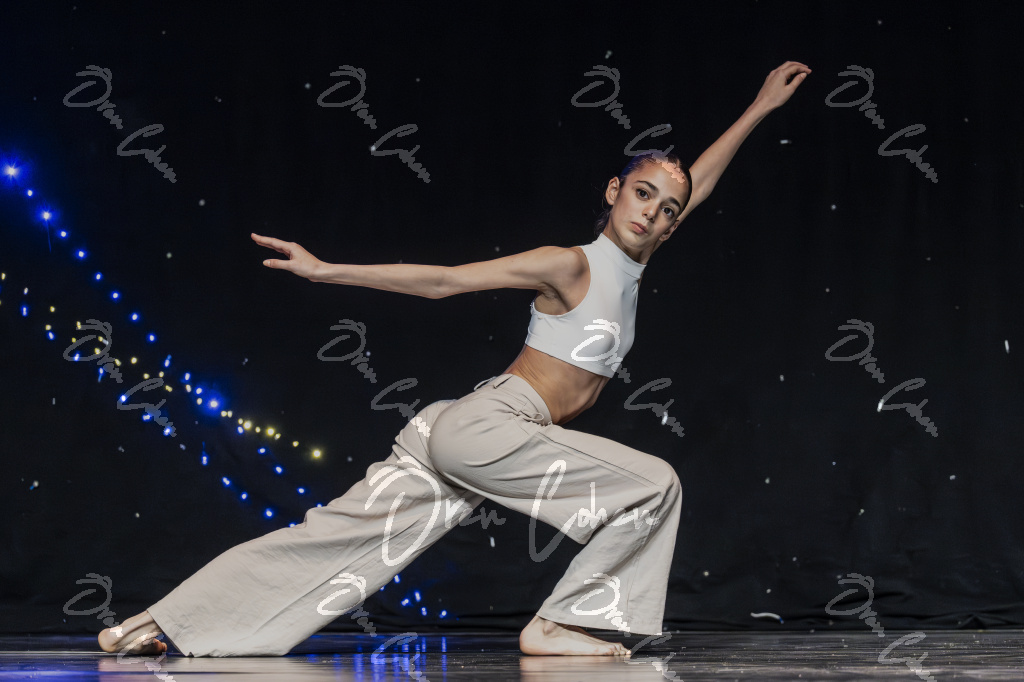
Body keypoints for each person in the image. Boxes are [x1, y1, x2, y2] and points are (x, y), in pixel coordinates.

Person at [98, 61, 810, 659]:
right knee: (655, 485)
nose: (652, 212)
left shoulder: (637, 262)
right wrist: (326, 270)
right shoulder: (570, 264)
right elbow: (443, 281)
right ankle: (560, 625)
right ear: (613, 191)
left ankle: (163, 623)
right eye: (642, 194)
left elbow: (697, 183)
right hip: (494, 425)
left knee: (340, 535)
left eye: (667, 210)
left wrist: (759, 107)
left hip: (470, 429)